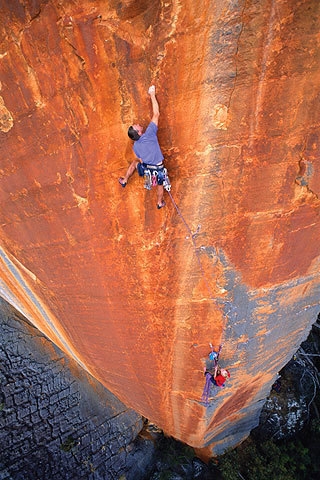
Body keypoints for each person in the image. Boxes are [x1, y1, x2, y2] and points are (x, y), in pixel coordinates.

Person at [118, 85, 168, 209]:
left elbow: (140, 160)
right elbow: (156, 114)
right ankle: (159, 202)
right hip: (158, 168)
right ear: (139, 133)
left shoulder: (136, 146)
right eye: (137, 126)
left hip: (147, 171)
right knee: (160, 185)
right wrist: (152, 94)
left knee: (135, 162)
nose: (138, 124)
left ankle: (125, 179)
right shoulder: (150, 133)